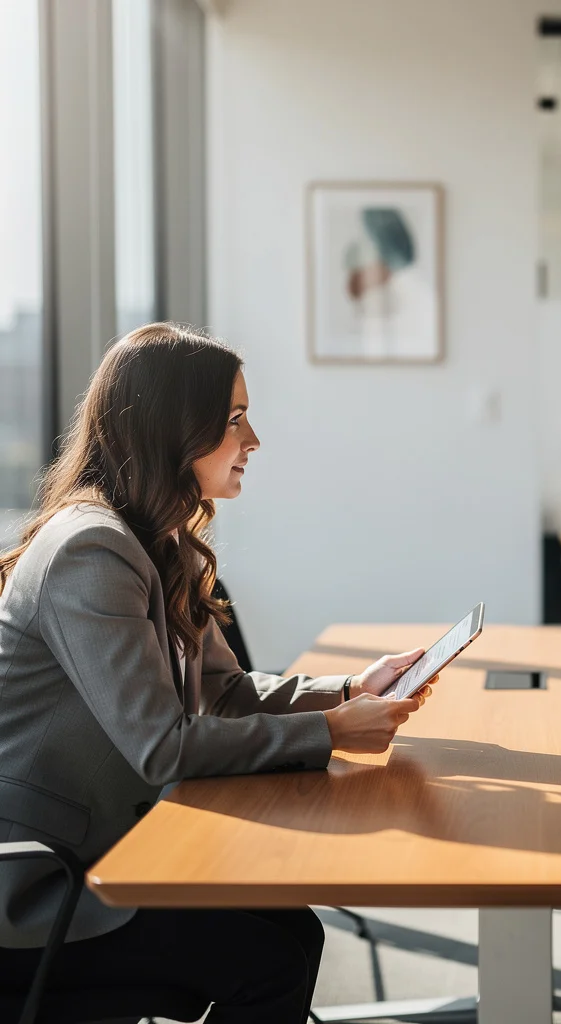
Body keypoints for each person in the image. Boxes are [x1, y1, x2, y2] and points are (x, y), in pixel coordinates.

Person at [0, 322, 434, 1023]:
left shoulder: (155, 538)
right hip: (40, 887)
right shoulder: (92, 551)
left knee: (292, 929)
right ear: (174, 428)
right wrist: (330, 731)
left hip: (112, 849)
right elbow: (162, 746)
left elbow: (226, 691)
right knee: (266, 963)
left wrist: (352, 691)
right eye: (234, 420)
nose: (253, 440)